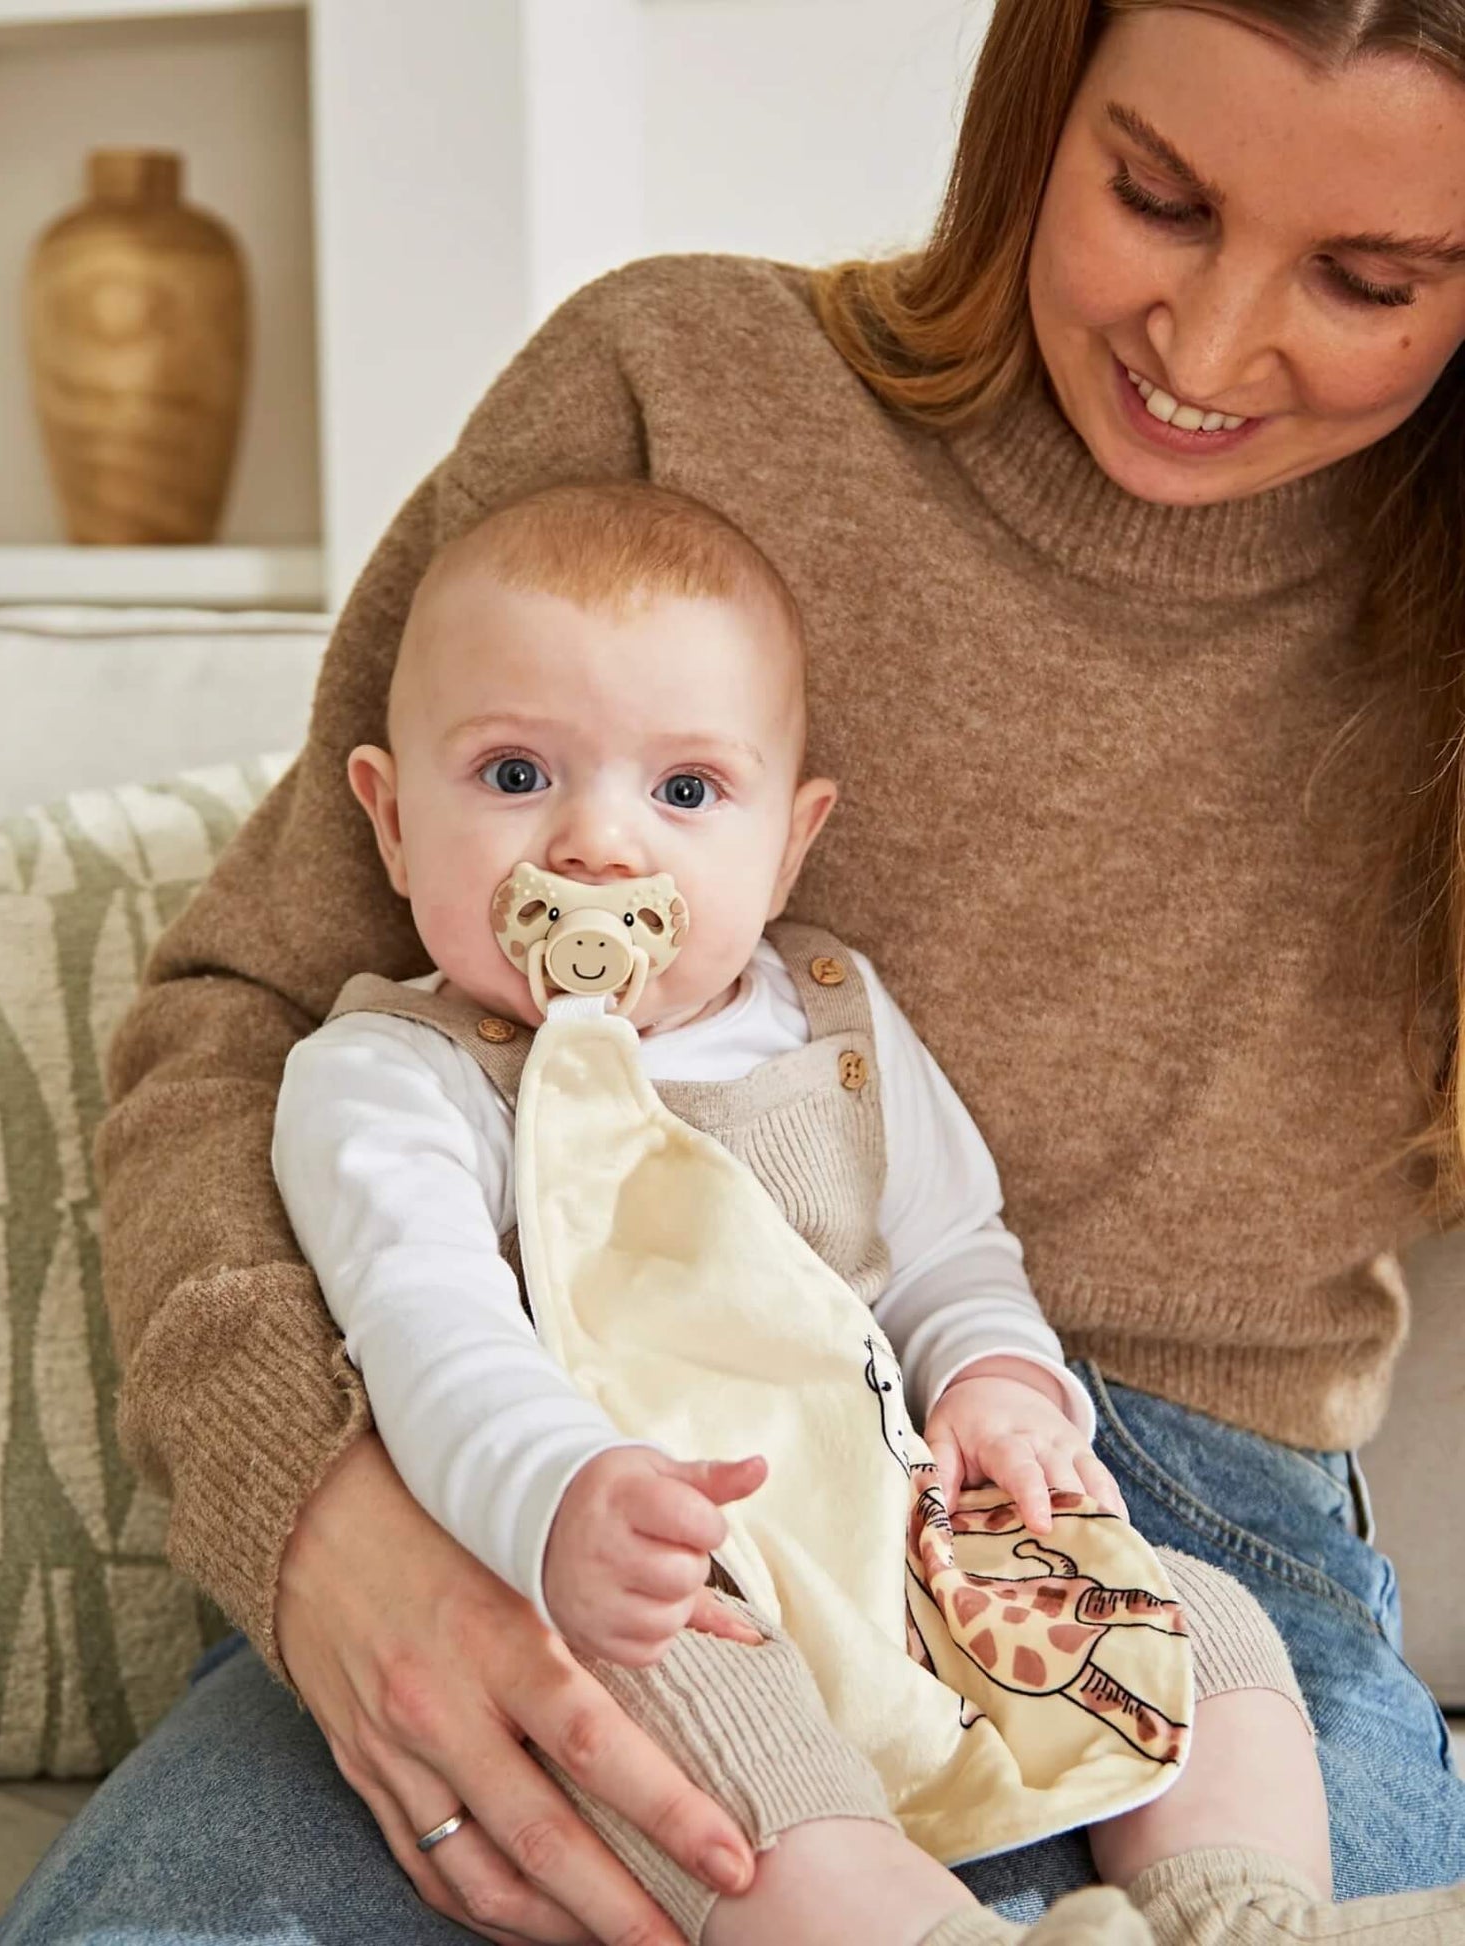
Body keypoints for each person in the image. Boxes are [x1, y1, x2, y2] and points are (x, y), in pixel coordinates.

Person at [0, 5, 1465, 1943]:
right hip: (560, 1471)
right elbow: (246, 1027)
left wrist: (1009, 1409)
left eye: (1367, 280)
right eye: (1153, 197)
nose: (1204, 347)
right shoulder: (670, 389)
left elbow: (958, 1255)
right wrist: (324, 1514)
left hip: (1160, 1515)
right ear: (1041, 97)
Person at [267, 474, 1464, 1946]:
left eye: (685, 792)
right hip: (655, 1570)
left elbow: (952, 1249)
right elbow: (429, 1335)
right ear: (390, 820)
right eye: (514, 776)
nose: (595, 845)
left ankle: (1249, 1916)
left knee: (1196, 1618)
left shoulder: (824, 1015)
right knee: (711, 1741)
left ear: (788, 839)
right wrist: (563, 1497)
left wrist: (998, 1384)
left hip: (893, 1520)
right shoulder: (394, 1075)